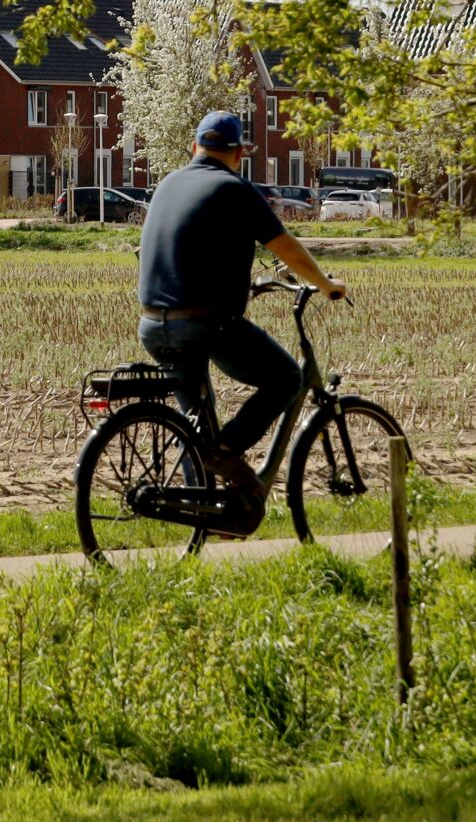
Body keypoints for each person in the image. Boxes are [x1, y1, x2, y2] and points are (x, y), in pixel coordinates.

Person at [135, 110, 347, 530]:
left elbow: (181, 248)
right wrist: (324, 283)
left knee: (196, 423)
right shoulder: (235, 188)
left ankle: (207, 516)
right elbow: (286, 247)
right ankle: (228, 453)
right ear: (240, 153)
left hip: (153, 325)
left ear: (195, 147)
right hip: (203, 323)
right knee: (286, 378)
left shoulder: (167, 185)